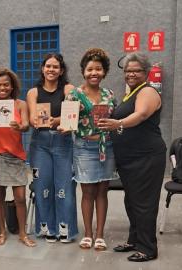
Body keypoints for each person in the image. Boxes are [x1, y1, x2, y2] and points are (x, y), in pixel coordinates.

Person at [98, 52, 166, 262]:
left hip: (146, 157)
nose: (131, 74)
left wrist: (117, 123)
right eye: (127, 71)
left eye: (136, 70)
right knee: (132, 201)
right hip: (130, 159)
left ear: (145, 73)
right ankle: (135, 240)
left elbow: (142, 114)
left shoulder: (148, 91)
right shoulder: (130, 92)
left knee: (144, 203)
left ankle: (148, 248)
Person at [62, 48, 117, 251]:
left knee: (103, 191)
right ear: (83, 71)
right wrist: (64, 127)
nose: (94, 73)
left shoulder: (109, 94)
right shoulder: (74, 94)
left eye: (98, 69)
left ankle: (100, 235)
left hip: (107, 146)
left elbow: (115, 118)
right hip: (84, 147)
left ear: (104, 72)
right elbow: (69, 121)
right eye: (90, 69)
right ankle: (88, 234)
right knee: (87, 191)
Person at [26, 53, 78, 243]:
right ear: (42, 68)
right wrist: (56, 119)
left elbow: (72, 114)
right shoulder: (33, 92)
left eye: (55, 67)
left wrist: (53, 120)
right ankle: (47, 227)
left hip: (63, 141)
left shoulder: (69, 89)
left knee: (64, 187)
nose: (51, 70)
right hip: (40, 143)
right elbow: (33, 119)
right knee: (43, 186)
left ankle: (65, 229)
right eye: (48, 66)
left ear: (61, 70)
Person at [0, 68, 36, 248]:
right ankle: (1, 231)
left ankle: (23, 233)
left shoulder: (20, 104)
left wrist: (19, 126)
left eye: (6, 84)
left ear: (12, 86)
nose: (2, 88)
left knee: (20, 197)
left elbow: (27, 125)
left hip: (16, 156)